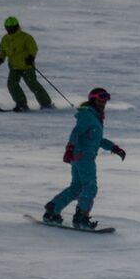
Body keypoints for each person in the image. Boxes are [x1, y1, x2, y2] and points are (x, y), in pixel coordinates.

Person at [42, 88, 124, 229]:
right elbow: (76, 132)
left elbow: (97, 139)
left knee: (77, 187)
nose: (103, 103)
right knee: (90, 187)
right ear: (93, 100)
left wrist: (113, 148)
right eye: (100, 100)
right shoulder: (88, 115)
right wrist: (70, 148)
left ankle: (53, 209)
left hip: (80, 156)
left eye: (105, 101)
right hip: (83, 156)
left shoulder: (94, 116)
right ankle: (81, 217)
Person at [0, 16, 54, 111]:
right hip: (14, 67)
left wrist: (31, 57)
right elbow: (3, 50)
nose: (10, 29)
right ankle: (21, 104)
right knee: (12, 84)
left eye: (12, 27)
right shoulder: (5, 39)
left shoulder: (25, 37)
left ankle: (46, 103)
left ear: (16, 26)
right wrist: (0, 59)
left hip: (27, 66)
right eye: (8, 27)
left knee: (33, 85)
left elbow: (33, 48)